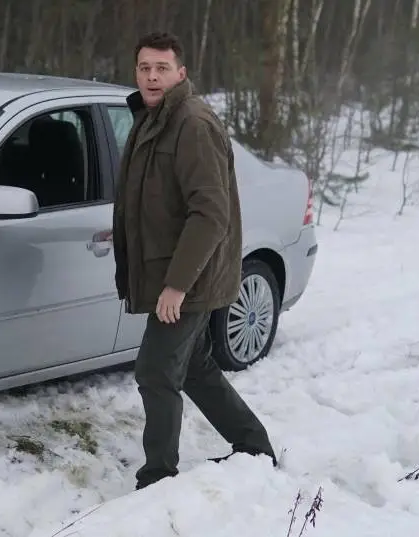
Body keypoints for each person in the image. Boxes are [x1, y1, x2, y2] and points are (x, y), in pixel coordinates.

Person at [108, 31, 278, 491]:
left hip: (192, 277)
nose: (151, 76)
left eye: (161, 68)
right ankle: (255, 447)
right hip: (181, 272)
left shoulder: (192, 124)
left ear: (180, 73)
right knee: (196, 366)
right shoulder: (152, 118)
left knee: (156, 371)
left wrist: (177, 285)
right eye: (144, 67)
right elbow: (156, 199)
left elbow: (210, 214)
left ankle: (157, 478)